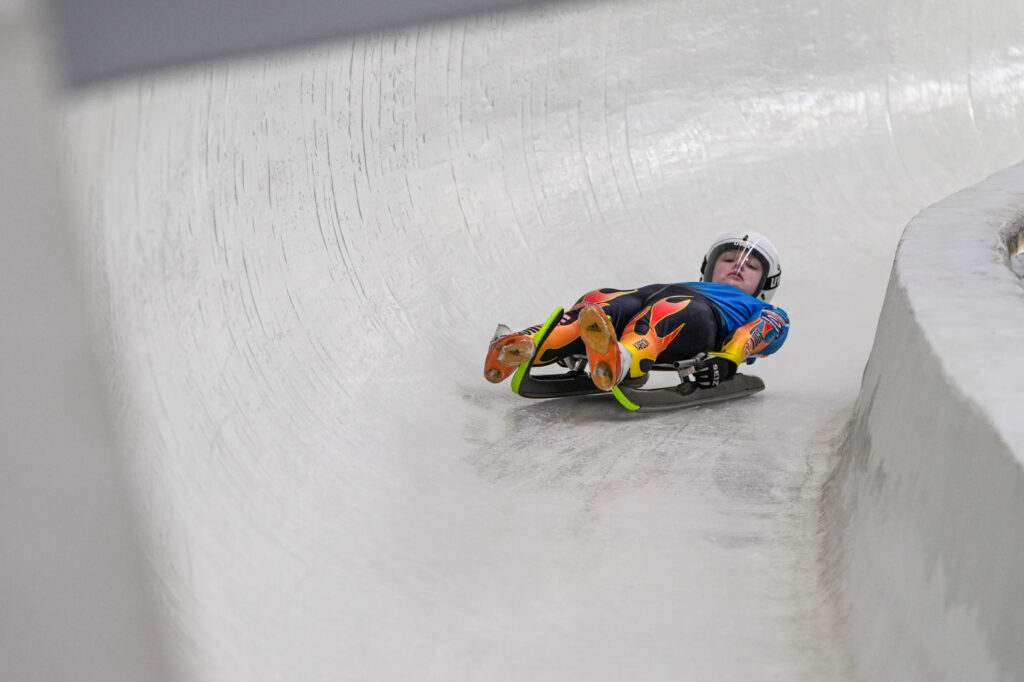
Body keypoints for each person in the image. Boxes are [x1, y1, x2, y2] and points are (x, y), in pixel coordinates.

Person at [483, 231, 789, 391]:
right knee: (600, 301)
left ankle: (623, 359)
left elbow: (759, 333)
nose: (738, 266)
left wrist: (728, 361)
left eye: (750, 266)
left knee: (665, 312)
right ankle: (528, 345)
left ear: (764, 283)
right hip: (648, 295)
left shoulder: (764, 309)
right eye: (729, 259)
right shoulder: (686, 282)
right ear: (708, 267)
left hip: (702, 315)